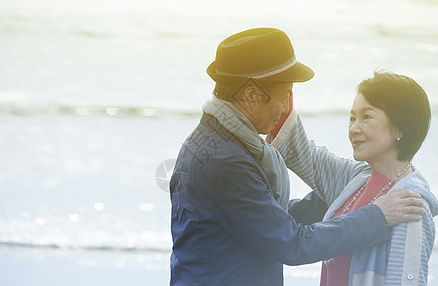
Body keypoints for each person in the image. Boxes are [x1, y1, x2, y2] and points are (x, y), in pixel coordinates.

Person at [169, 28, 425, 286]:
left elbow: (256, 220)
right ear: (251, 95)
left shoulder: (215, 141)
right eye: (282, 98)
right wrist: (375, 216)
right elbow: (290, 243)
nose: (283, 110)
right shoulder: (225, 162)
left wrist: (342, 196)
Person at [270, 72, 437, 285]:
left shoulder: (409, 203)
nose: (353, 129)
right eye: (352, 118)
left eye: (366, 117)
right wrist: (277, 88)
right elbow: (304, 155)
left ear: (400, 127)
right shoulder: (356, 179)